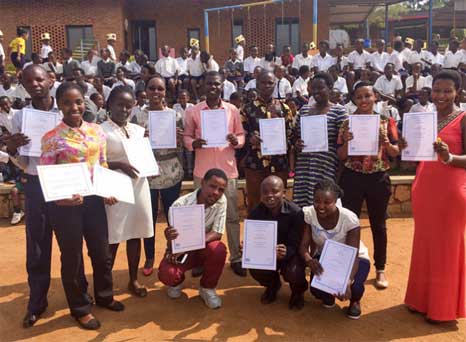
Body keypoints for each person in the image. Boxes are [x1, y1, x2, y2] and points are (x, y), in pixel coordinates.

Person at [4, 65, 88, 328]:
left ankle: (80, 303)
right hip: (36, 183)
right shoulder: (20, 117)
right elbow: (19, 160)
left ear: (51, 80)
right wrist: (13, 148)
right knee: (38, 247)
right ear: (24, 85)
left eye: (40, 79)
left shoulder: (66, 108)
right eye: (29, 81)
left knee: (71, 246)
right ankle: (37, 303)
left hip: (64, 181)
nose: (35, 84)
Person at [40, 81, 124, 329]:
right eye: (67, 102)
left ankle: (104, 296)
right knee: (73, 258)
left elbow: (102, 164)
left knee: (101, 252)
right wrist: (62, 199)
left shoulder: (96, 131)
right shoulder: (51, 138)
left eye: (78, 101)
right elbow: (46, 175)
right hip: (65, 206)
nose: (74, 107)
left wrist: (107, 190)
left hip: (94, 201)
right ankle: (80, 307)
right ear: (59, 105)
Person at [403, 70, 466, 323]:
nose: (440, 95)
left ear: (457, 93)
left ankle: (442, 309)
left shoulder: (463, 119)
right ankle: (420, 301)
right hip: (424, 189)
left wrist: (449, 157)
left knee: (446, 249)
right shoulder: (424, 118)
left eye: (446, 91)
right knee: (425, 246)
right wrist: (408, 148)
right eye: (437, 90)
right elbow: (414, 160)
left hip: (450, 192)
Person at [337, 81, 399, 289]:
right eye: (359, 97)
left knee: (378, 225)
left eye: (367, 96)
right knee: (349, 224)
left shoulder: (386, 121)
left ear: (375, 98)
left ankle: (380, 269)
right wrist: (347, 141)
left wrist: (386, 143)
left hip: (377, 177)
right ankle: (348, 267)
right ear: (354, 99)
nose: (363, 100)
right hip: (352, 177)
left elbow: (395, 153)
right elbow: (341, 155)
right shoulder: (347, 123)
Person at [184, 71, 246, 277]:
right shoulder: (194, 111)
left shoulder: (232, 110)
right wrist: (193, 144)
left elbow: (241, 135)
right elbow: (186, 136)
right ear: (202, 86)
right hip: (203, 173)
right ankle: (200, 259)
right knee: (200, 217)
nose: (213, 87)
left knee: (231, 216)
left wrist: (236, 141)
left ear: (222, 86)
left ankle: (236, 257)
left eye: (216, 84)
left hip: (228, 171)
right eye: (209, 84)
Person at [101, 85, 153, 297]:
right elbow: (98, 162)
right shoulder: (100, 130)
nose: (124, 109)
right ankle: (105, 285)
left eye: (128, 106)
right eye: (119, 105)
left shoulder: (138, 130)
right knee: (114, 236)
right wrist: (119, 165)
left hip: (139, 186)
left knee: (136, 234)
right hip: (116, 187)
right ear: (109, 105)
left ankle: (133, 280)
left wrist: (150, 167)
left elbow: (144, 156)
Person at [133, 75, 184, 277]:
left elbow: (182, 145)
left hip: (171, 170)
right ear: (146, 90)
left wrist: (179, 138)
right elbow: (132, 145)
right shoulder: (138, 117)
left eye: (160, 89)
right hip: (148, 173)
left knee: (173, 216)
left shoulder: (175, 116)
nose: (156, 92)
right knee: (150, 217)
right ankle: (150, 256)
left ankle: (172, 251)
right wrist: (140, 139)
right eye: (152, 88)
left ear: (165, 91)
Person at [299, 179, 371, 320]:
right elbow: (303, 245)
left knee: (354, 287)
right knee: (316, 288)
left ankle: (355, 301)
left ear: (336, 201)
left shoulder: (349, 219)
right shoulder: (309, 214)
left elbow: (353, 255)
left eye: (327, 202)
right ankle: (329, 297)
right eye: (317, 201)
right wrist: (309, 260)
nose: (321, 206)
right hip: (326, 257)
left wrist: (347, 281)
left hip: (355, 259)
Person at [158, 168, 228, 309]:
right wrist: (169, 238)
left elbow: (217, 233)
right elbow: (173, 242)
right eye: (212, 186)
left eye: (221, 189)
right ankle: (177, 281)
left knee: (218, 249)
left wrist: (192, 244)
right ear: (202, 183)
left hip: (202, 248)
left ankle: (207, 288)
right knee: (168, 274)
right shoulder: (180, 205)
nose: (216, 192)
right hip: (183, 250)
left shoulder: (221, 201)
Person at [247, 176, 307, 310]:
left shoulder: (296, 213)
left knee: (294, 271)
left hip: (290, 254)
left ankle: (298, 292)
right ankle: (272, 285)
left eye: (275, 191)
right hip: (266, 255)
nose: (270, 195)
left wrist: (287, 252)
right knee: (255, 267)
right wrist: (247, 247)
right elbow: (253, 239)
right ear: (261, 194)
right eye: (265, 192)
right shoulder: (255, 213)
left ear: (284, 193)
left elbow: (296, 243)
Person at [293, 72, 347, 207]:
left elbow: (343, 144)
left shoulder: (339, 112)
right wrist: (297, 144)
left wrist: (338, 177)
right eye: (313, 88)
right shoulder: (304, 110)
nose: (316, 92)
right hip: (304, 170)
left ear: (330, 87)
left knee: (324, 208)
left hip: (326, 168)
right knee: (303, 210)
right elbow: (296, 136)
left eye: (320, 88)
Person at [242, 70, 292, 212]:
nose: (266, 86)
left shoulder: (284, 108)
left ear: (275, 85)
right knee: (255, 202)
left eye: (270, 83)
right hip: (255, 164)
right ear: (257, 84)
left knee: (278, 204)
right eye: (263, 82)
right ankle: (257, 234)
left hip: (279, 163)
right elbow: (241, 133)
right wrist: (250, 138)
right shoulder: (247, 108)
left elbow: (290, 133)